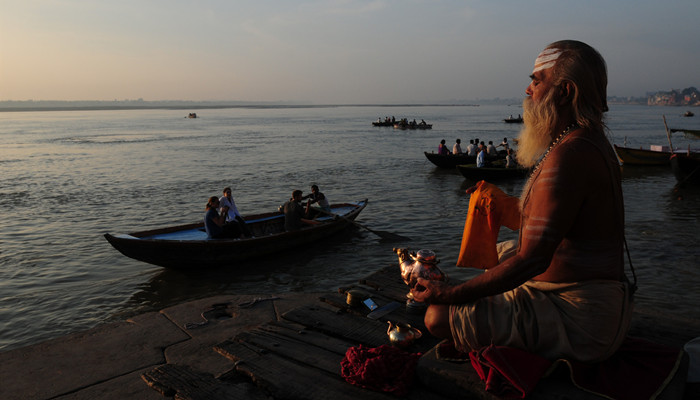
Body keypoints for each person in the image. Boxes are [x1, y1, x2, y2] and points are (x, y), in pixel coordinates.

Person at [410, 40, 632, 363]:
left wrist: (449, 294)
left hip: (578, 318)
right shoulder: (584, 142)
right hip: (595, 304)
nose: (528, 91)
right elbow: (560, 223)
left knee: (436, 317)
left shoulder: (571, 154)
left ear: (565, 92)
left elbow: (532, 261)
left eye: (537, 81)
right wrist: (502, 204)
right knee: (501, 253)